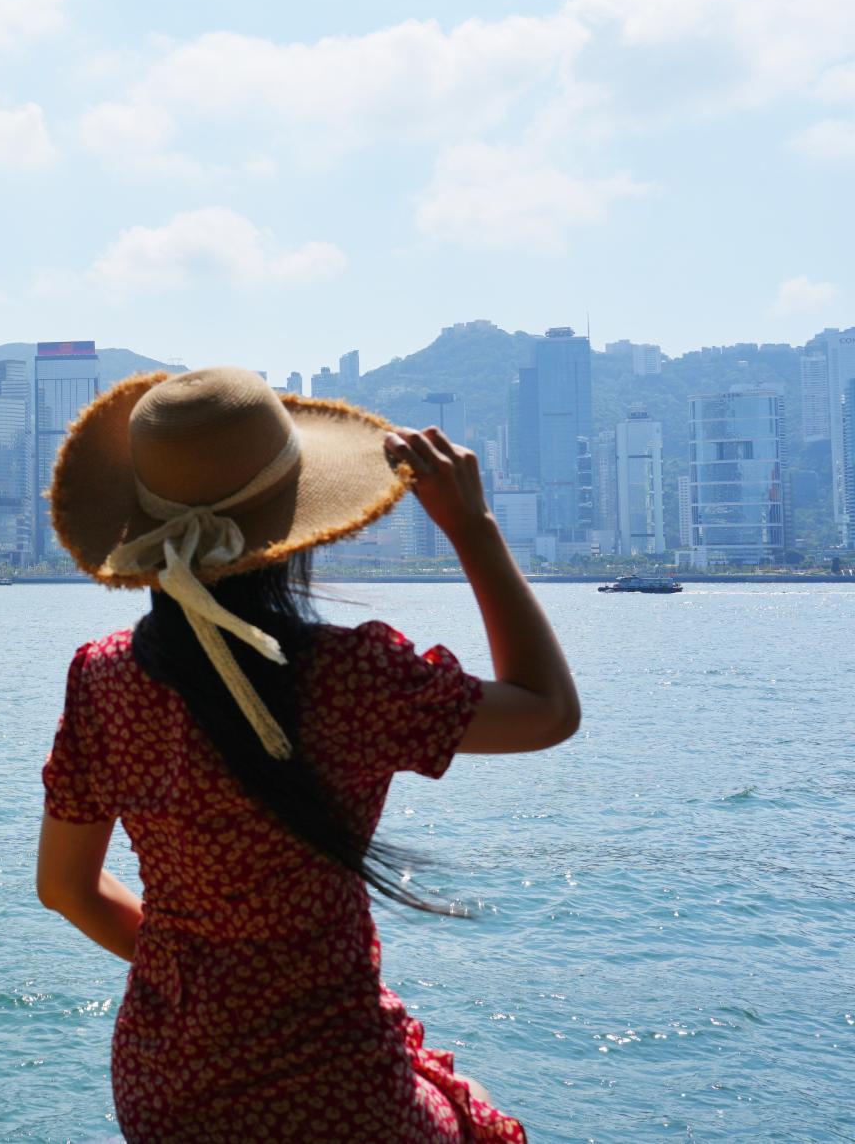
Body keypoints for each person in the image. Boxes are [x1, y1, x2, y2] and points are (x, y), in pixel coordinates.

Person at [34, 367, 578, 1142]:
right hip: (342, 1092)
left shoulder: (106, 680)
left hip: (169, 1086)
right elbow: (548, 710)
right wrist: (472, 528)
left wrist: (195, 973)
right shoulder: (352, 677)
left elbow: (65, 888)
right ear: (294, 529)